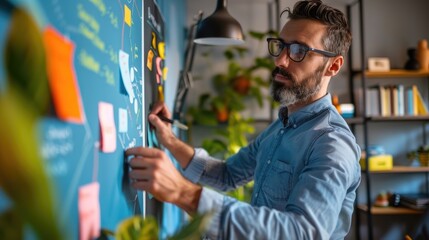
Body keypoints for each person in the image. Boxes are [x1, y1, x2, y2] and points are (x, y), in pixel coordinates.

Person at [126, 0, 361, 239]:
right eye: (280, 46)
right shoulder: (281, 126)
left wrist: (183, 192)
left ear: (333, 66)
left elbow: (300, 233)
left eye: (299, 51)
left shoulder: (333, 145)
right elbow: (228, 174)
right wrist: (170, 140)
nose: (280, 60)